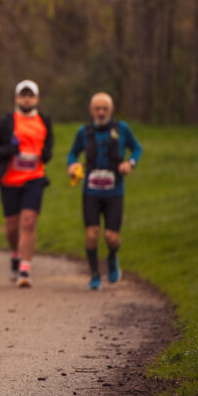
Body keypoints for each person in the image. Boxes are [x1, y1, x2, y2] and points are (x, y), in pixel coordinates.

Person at [67, 93, 143, 290]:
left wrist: (130, 163)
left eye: (105, 109)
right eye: (97, 108)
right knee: (92, 234)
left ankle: (112, 258)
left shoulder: (122, 129)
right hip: (91, 191)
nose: (101, 112)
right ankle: (94, 274)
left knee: (111, 236)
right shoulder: (84, 132)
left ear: (112, 109)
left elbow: (137, 148)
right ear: (91, 110)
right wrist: (72, 165)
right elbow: (72, 153)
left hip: (114, 192)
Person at [0, 80, 53, 288]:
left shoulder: (44, 121)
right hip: (10, 180)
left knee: (29, 222)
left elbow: (48, 149)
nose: (26, 99)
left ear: (37, 99)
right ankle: (15, 255)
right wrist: (9, 151)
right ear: (16, 98)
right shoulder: (5, 122)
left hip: (34, 178)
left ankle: (25, 269)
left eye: (30, 95)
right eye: (23, 95)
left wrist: (44, 154)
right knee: (12, 227)